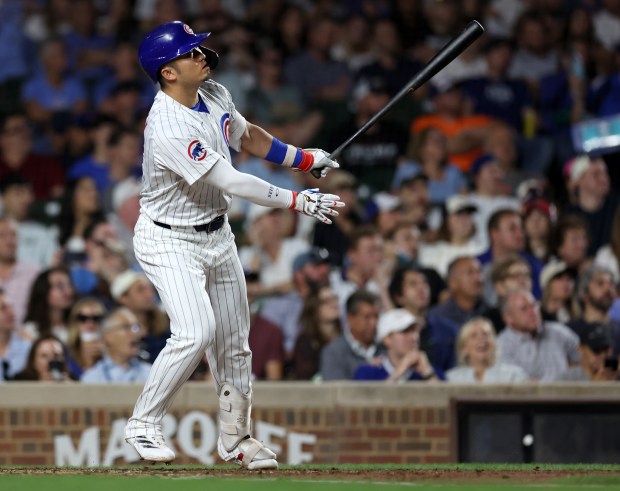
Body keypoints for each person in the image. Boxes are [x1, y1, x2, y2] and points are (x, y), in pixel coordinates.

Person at [124, 21, 343, 470]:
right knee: (196, 330)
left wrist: (304, 158)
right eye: (190, 53)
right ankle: (143, 423)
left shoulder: (214, 93)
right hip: (169, 237)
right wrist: (297, 199)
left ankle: (237, 439)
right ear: (167, 72)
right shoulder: (166, 125)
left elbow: (247, 137)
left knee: (234, 345)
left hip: (216, 233)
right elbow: (230, 179)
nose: (202, 54)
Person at [497, 289, 580, 381]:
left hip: (568, 393)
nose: (532, 312)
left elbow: (584, 358)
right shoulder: (502, 345)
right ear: (508, 318)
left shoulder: (558, 332)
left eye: (533, 305)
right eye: (524, 309)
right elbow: (512, 381)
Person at [354, 309, 443, 382]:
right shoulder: (368, 372)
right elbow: (371, 402)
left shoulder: (433, 372)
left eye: (415, 331)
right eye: (405, 331)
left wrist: (427, 374)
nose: (415, 337)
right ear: (387, 339)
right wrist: (399, 372)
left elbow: (446, 401)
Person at [320, 289, 381, 381]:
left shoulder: (385, 350)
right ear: (350, 318)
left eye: (376, 317)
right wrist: (366, 371)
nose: (373, 323)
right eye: (367, 317)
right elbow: (336, 391)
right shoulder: (334, 353)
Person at [80, 308, 152, 384]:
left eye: (136, 327)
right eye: (126, 327)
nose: (135, 333)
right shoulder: (91, 379)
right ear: (108, 336)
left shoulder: (151, 375)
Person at [446, 317, 528, 383]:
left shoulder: (514, 375)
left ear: (494, 343)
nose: (481, 339)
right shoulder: (451, 379)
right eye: (474, 335)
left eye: (486, 334)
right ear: (464, 349)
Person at [291, 286, 341, 380]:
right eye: (326, 301)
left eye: (334, 298)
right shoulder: (305, 341)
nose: (334, 304)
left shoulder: (346, 336)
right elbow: (305, 375)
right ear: (314, 307)